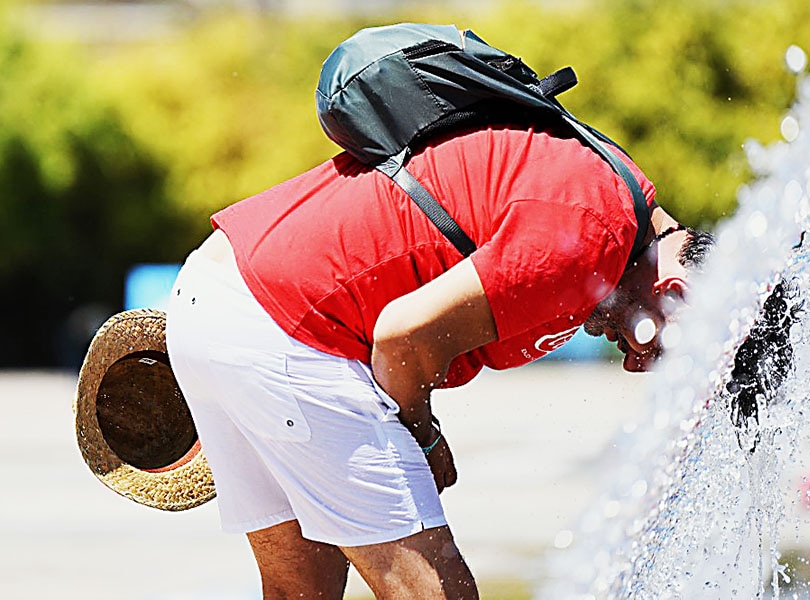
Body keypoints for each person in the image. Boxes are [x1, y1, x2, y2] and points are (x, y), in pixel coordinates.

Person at [165, 122, 714, 599]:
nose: (636, 366)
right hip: (290, 326)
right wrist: (422, 435)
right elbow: (401, 338)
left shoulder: (615, 191)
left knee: (299, 591)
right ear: (677, 295)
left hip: (215, 291)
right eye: (660, 353)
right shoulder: (588, 237)